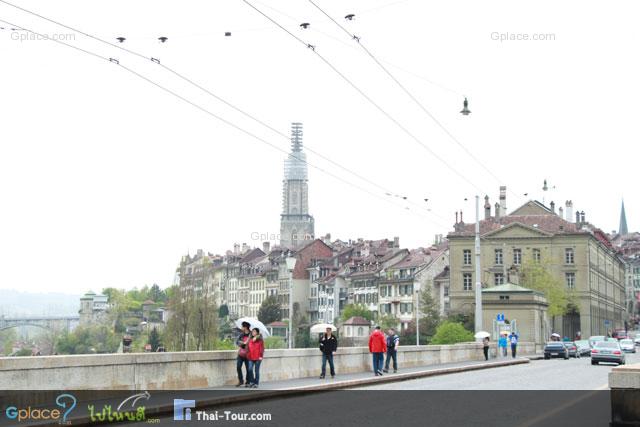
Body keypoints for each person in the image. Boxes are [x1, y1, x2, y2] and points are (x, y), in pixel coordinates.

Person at [235, 322, 251, 387]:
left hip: (248, 355)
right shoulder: (241, 335)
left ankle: (248, 382)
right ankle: (241, 381)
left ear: (245, 327)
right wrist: (241, 343)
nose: (241, 328)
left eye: (242, 327)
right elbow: (237, 342)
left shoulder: (251, 335)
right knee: (238, 367)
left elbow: (254, 344)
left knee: (248, 369)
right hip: (241, 354)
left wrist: (248, 343)